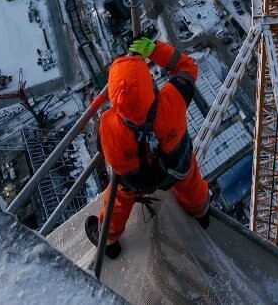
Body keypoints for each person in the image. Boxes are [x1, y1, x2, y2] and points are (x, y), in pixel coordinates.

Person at [85, 36, 210, 258]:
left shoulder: (108, 123)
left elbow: (104, 152)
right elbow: (187, 67)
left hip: (137, 183)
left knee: (118, 198)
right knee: (191, 182)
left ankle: (109, 239)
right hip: (176, 168)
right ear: (150, 87)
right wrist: (154, 51)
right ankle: (201, 213)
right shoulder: (172, 100)